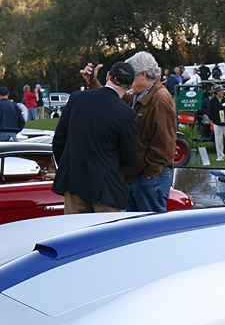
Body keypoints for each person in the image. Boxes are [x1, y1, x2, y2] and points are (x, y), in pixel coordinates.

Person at [80, 51, 178, 212]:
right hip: (136, 176)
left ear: (143, 75)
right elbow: (111, 99)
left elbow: (165, 143)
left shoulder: (160, 98)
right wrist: (93, 82)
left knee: (150, 231)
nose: (129, 81)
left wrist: (148, 173)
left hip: (149, 178)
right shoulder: (136, 96)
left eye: (132, 75)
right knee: (135, 230)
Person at [52, 61, 138, 214]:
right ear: (130, 87)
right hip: (107, 188)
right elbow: (129, 157)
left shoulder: (77, 98)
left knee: (75, 233)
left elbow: (59, 140)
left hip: (75, 180)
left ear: (108, 76)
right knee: (106, 234)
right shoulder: (126, 114)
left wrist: (69, 165)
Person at [208, 85, 225, 162]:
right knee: (219, 140)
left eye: (222, 90)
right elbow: (209, 112)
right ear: (216, 92)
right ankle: (220, 155)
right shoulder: (212, 101)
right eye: (220, 91)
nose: (222, 92)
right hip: (217, 124)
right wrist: (214, 119)